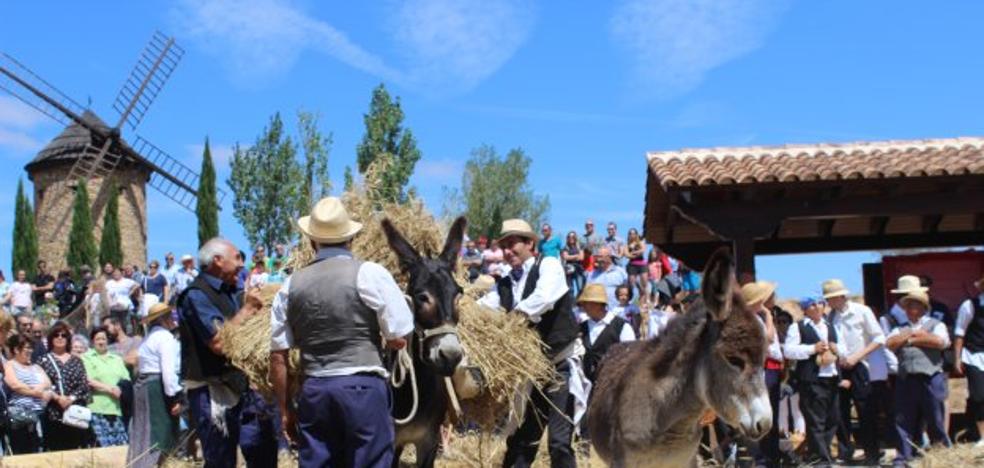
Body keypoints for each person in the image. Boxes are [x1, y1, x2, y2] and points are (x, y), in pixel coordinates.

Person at [268, 196, 415, 467]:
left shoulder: (289, 286)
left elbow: (278, 358)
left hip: (315, 391)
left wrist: (285, 410)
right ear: (351, 239)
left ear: (312, 241)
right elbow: (400, 335)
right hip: (362, 388)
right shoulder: (370, 273)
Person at [478, 218, 582, 467]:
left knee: (558, 443)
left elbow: (544, 297)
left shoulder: (548, 265)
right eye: (503, 246)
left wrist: (515, 318)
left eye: (513, 243)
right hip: (530, 374)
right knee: (522, 441)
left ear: (530, 244)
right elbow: (484, 308)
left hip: (559, 368)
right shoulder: (503, 283)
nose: (507, 250)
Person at [178, 238, 263, 468]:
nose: (241, 264)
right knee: (221, 461)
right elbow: (219, 343)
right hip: (211, 393)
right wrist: (247, 310)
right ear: (217, 260)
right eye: (236, 257)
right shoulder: (196, 295)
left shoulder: (231, 292)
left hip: (237, 387)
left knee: (256, 451)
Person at [823, 278, 886, 463]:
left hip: (860, 365)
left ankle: (872, 453)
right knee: (840, 411)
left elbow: (879, 337)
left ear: (842, 296)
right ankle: (845, 453)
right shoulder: (830, 317)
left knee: (865, 409)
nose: (829, 302)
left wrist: (857, 356)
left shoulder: (862, 311)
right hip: (840, 366)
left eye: (832, 298)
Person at [886, 291, 951, 465]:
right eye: (907, 306)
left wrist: (909, 339)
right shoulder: (899, 327)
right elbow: (890, 343)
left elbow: (940, 342)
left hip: (931, 377)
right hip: (906, 378)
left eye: (914, 305)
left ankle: (941, 456)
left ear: (923, 308)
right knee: (903, 420)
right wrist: (914, 336)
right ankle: (903, 457)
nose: (910, 309)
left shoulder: (936, 324)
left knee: (935, 418)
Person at [784, 294, 841, 465]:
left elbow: (841, 348)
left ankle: (818, 454)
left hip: (831, 377)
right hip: (811, 379)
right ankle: (822, 459)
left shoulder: (830, 326)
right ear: (805, 309)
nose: (817, 307)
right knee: (816, 421)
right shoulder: (798, 327)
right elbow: (789, 351)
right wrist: (812, 349)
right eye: (812, 305)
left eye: (820, 303)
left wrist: (836, 349)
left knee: (833, 419)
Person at [127, 303, 182, 468]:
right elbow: (168, 370)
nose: (173, 319)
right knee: (159, 435)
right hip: (157, 389)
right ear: (163, 319)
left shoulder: (148, 338)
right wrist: (175, 397)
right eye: (170, 316)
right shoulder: (165, 338)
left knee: (144, 432)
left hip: (144, 386)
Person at [742, 281, 784, 468]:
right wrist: (768, 316)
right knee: (761, 412)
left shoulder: (755, 317)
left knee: (770, 412)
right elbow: (767, 338)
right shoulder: (749, 319)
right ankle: (761, 457)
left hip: (769, 368)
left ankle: (771, 455)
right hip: (761, 369)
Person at [39, 321, 92, 451]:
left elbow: (83, 384)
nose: (60, 338)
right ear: (51, 338)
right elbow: (42, 384)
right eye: (56, 335)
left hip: (75, 413)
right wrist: (58, 398)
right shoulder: (43, 360)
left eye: (64, 335)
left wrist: (71, 399)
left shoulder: (76, 361)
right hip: (53, 413)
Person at [4, 333, 53, 454]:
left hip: (37, 416)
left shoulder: (36, 367)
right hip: (20, 417)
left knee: (36, 450)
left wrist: (41, 389)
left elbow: (48, 383)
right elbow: (14, 385)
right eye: (27, 348)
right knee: (20, 451)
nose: (30, 351)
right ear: (16, 349)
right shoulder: (9, 365)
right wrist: (36, 392)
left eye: (31, 348)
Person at [82, 326, 130, 447]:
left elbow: (126, 379)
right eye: (98, 339)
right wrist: (110, 389)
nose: (101, 342)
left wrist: (119, 389)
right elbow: (89, 380)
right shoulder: (86, 357)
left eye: (103, 338)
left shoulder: (117, 359)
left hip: (116, 409)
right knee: (102, 447)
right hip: (96, 409)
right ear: (93, 341)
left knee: (121, 446)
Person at [578, 283, 635, 384]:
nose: (584, 307)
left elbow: (630, 358)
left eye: (587, 303)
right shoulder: (581, 328)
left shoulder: (621, 327)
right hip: (586, 387)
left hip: (612, 385)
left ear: (598, 304)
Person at [955, 273, 984, 447]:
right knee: (980, 396)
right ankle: (982, 436)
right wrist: (958, 359)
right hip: (974, 356)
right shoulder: (970, 305)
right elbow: (960, 333)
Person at [105, 268, 139, 332]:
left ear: (121, 273)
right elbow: (107, 293)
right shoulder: (109, 283)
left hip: (125, 306)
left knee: (126, 323)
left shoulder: (126, 281)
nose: (115, 274)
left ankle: (129, 337)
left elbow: (137, 285)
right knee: (115, 323)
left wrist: (130, 293)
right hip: (114, 307)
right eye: (114, 273)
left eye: (117, 272)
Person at [623, 228, 648, 305]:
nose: (632, 235)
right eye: (630, 233)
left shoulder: (640, 242)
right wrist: (635, 255)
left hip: (642, 264)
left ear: (636, 234)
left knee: (644, 283)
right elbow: (626, 254)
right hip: (632, 265)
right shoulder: (626, 244)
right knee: (631, 284)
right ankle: (631, 300)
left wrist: (634, 252)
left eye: (633, 233)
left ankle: (645, 300)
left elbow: (643, 250)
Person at [561, 231, 585, 299]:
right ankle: (571, 304)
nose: (571, 238)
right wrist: (576, 255)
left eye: (573, 237)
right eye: (569, 237)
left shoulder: (580, 245)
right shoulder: (565, 247)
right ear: (567, 238)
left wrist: (570, 256)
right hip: (569, 270)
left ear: (575, 237)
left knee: (580, 288)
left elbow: (581, 257)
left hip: (578, 269)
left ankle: (580, 305)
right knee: (570, 289)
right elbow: (565, 257)